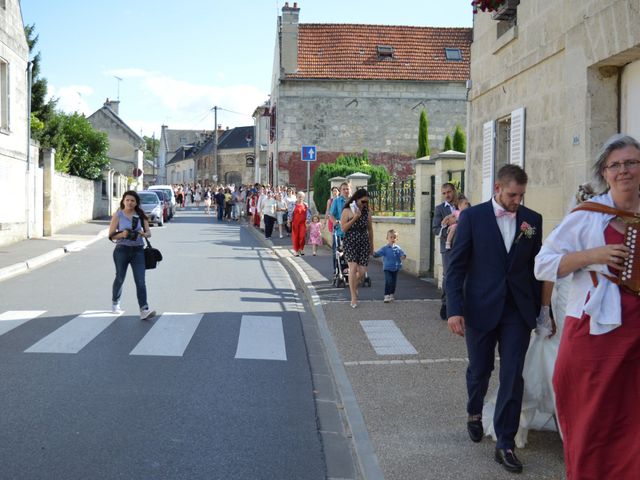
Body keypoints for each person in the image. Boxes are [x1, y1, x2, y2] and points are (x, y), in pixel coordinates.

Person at [534, 134, 640, 480]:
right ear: (605, 173)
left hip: (636, 337)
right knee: (592, 425)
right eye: (616, 165)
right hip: (595, 338)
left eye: (631, 163)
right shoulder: (587, 216)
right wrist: (591, 256)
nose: (624, 170)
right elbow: (542, 264)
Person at [445, 164, 546, 474]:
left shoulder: (533, 220)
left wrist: (542, 311)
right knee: (480, 369)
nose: (518, 200)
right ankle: (474, 412)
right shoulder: (473, 218)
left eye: (521, 195)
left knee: (513, 375)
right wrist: (454, 309)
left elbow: (537, 269)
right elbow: (456, 267)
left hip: (517, 311)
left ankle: (505, 442)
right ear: (498, 189)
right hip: (480, 307)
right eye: (513, 194)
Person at [107, 190, 156, 321]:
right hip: (121, 250)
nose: (129, 202)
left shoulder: (141, 215)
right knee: (120, 278)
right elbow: (111, 235)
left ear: (136, 203)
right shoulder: (118, 215)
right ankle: (115, 303)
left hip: (138, 251)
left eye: (132, 200)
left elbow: (149, 232)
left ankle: (144, 309)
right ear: (123, 201)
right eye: (127, 200)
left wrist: (143, 234)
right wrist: (122, 234)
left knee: (140, 281)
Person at [341, 188, 374, 308]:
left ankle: (354, 285)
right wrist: (355, 217)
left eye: (367, 202)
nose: (365, 204)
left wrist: (372, 245)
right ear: (356, 199)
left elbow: (370, 229)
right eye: (363, 201)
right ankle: (353, 297)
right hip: (350, 241)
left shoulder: (367, 211)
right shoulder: (347, 210)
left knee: (362, 271)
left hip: (363, 242)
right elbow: (343, 228)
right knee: (353, 268)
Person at [432, 182, 458, 320]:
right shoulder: (439, 209)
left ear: (454, 191)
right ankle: (446, 304)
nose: (447, 195)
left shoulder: (462, 204)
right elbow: (435, 228)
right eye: (444, 193)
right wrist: (447, 229)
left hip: (462, 246)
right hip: (447, 248)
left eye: (449, 192)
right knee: (448, 276)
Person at [373, 229, 406, 303]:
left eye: (394, 237)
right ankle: (386, 295)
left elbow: (402, 254)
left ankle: (391, 294)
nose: (392, 239)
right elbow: (378, 254)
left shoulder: (398, 248)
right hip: (387, 268)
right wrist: (373, 253)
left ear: (396, 239)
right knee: (388, 281)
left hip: (395, 267)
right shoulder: (385, 248)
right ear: (387, 238)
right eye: (391, 237)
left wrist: (403, 256)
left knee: (393, 282)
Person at [289, 191, 311, 256]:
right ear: (296, 196)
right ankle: (296, 250)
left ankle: (301, 249)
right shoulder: (292, 204)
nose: (300, 198)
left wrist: (308, 221)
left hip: (303, 223)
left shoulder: (305, 205)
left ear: (303, 197)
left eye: (302, 197)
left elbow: (308, 214)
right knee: (295, 237)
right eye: (299, 196)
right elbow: (290, 213)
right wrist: (288, 220)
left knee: (302, 236)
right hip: (295, 223)